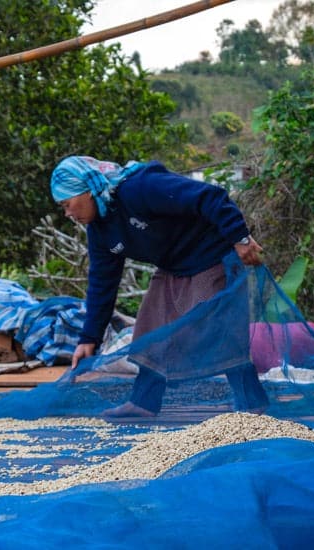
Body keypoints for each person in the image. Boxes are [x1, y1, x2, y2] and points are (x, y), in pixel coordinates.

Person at [50, 155, 269, 418]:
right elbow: (102, 282)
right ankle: (143, 403)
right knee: (149, 329)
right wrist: (90, 337)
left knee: (215, 329)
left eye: (68, 204)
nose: (68, 214)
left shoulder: (139, 188)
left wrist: (240, 238)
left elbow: (210, 196)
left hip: (210, 256)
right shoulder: (100, 230)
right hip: (172, 266)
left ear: (89, 189)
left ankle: (251, 402)